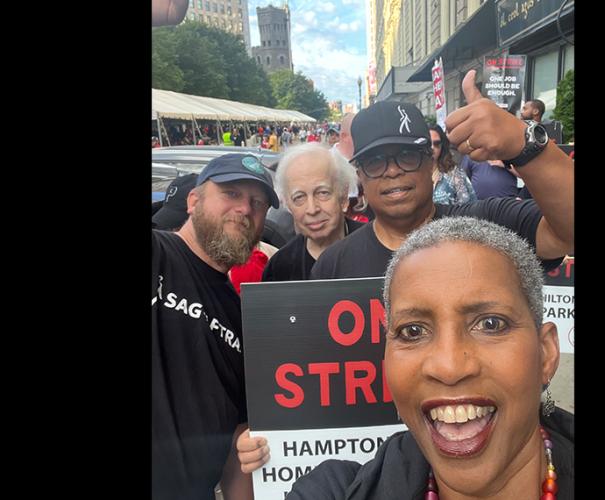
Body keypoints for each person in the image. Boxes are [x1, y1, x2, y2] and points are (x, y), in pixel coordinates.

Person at [247, 217, 574, 499]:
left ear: (546, 353)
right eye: (413, 331)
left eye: (490, 324)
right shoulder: (335, 491)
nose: (448, 367)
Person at [310, 69, 574, 280]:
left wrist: (523, 142)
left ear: (430, 162)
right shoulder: (333, 266)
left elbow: (567, 233)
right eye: (375, 162)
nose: (392, 171)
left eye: (407, 156)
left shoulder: (489, 226)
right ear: (360, 175)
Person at [152, 153, 280, 500]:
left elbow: (238, 442)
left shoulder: (242, 317)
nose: (245, 209)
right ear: (194, 201)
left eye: (258, 203)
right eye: (231, 193)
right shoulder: (159, 253)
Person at [261, 142, 363, 281]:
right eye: (299, 197)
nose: (312, 209)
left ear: (343, 195)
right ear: (288, 204)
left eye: (322, 193)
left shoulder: (378, 248)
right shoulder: (280, 268)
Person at [429, 124, 476, 205]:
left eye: (436, 144)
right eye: (428, 143)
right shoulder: (411, 174)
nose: (432, 148)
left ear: (442, 146)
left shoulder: (455, 173)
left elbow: (469, 206)